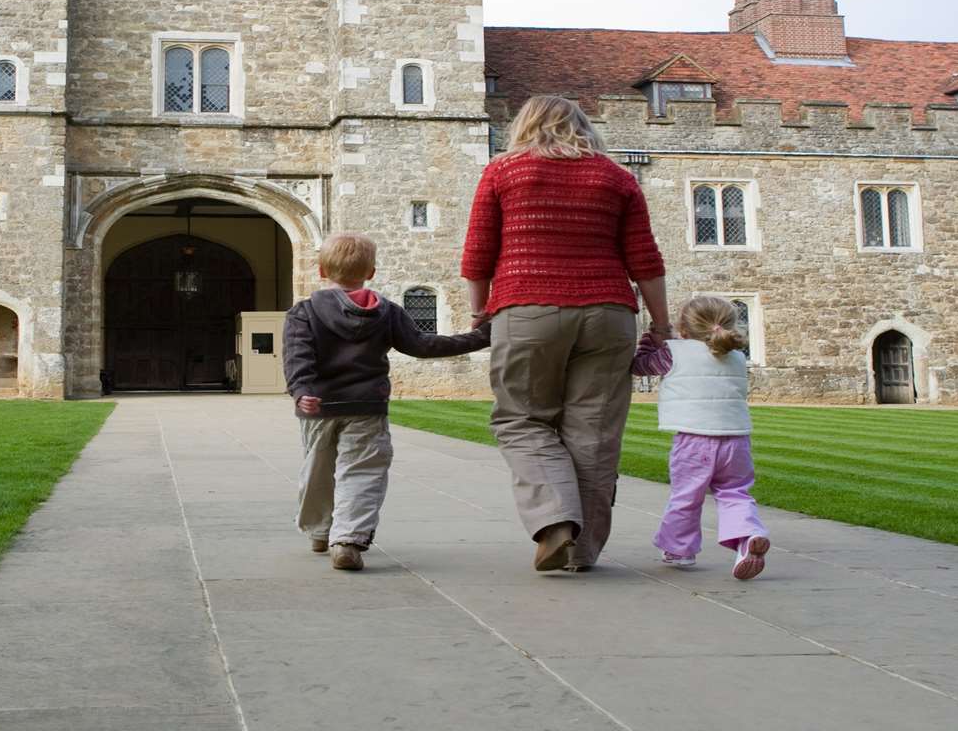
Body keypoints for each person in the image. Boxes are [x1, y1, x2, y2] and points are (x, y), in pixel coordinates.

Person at [461, 95, 669, 572]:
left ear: (525, 125)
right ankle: (583, 550)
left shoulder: (504, 171)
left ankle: (555, 521)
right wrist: (660, 324)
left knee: (522, 419)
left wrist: (479, 309)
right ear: (583, 126)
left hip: (527, 306)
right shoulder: (616, 177)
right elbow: (645, 259)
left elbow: (479, 250)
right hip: (609, 312)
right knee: (593, 431)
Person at [283, 232, 490, 571]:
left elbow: (297, 354)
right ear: (371, 272)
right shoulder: (387, 312)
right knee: (362, 471)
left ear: (320, 271)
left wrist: (301, 389)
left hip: (318, 407)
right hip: (367, 406)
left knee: (317, 469)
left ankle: (320, 532)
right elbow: (423, 345)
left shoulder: (303, 312)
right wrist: (481, 337)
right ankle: (348, 538)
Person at [632, 294, 770, 579]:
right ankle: (748, 536)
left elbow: (640, 366)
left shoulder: (674, 353)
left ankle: (679, 550)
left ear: (683, 329)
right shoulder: (736, 357)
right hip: (737, 441)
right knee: (734, 493)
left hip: (694, 440)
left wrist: (651, 339)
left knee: (687, 497)